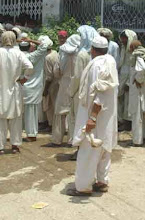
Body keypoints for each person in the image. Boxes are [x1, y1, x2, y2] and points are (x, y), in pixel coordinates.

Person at [67, 36, 118, 196]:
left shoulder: (97, 65)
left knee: (88, 150)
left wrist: (92, 117)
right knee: (103, 148)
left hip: (95, 116)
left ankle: (83, 187)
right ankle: (102, 181)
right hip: (106, 116)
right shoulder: (110, 61)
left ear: (93, 49)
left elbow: (100, 93)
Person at [0, 31, 33, 155]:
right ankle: (15, 145)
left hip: (0, 89)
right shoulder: (18, 53)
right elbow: (30, 66)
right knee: (16, 119)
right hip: (15, 89)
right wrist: (24, 78)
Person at [47, 34, 81, 147]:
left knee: (60, 112)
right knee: (74, 114)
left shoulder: (62, 54)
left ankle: (57, 139)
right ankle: (72, 140)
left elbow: (57, 71)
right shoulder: (81, 55)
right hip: (77, 85)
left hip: (64, 84)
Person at [21, 36, 53, 142]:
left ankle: (23, 133)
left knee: (24, 112)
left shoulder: (19, 56)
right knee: (32, 112)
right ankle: (31, 134)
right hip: (34, 88)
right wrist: (31, 40)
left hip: (23, 87)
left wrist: (17, 40)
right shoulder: (35, 56)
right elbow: (45, 44)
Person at [70, 26, 99, 142]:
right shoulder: (97, 54)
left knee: (78, 119)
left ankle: (78, 147)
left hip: (81, 92)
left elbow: (77, 76)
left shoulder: (82, 54)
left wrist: (71, 92)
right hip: (94, 92)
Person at [128, 40, 145, 146]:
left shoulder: (137, 55)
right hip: (141, 89)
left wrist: (137, 80)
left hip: (137, 90)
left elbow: (142, 68)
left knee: (137, 115)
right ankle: (142, 136)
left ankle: (137, 140)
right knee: (141, 115)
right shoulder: (143, 54)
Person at [118, 29, 138, 131]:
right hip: (122, 77)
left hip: (130, 80)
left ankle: (128, 123)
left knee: (128, 101)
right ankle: (121, 120)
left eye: (125, 38)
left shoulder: (135, 52)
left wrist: (128, 83)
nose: (123, 41)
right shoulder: (122, 48)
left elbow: (134, 68)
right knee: (119, 99)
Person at [42, 43, 59, 131]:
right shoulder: (55, 53)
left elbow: (49, 76)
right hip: (57, 82)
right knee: (56, 104)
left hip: (50, 84)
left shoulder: (47, 57)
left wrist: (45, 89)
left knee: (49, 105)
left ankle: (51, 124)